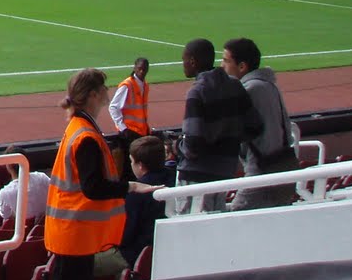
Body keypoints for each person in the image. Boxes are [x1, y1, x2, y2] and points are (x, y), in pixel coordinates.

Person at [44, 68, 149, 280]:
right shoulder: (86, 136)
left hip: (74, 232)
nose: (107, 90)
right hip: (76, 234)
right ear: (93, 94)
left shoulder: (80, 128)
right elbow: (93, 187)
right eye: (103, 87)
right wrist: (131, 186)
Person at [176, 38, 262, 213]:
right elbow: (255, 127)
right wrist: (227, 142)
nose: (183, 64)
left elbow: (193, 145)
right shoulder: (235, 86)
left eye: (184, 60)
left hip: (196, 176)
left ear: (192, 61)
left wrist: (177, 146)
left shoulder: (197, 92)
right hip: (224, 173)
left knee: (191, 232)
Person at [222, 37, 298, 210]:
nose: (222, 66)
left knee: (235, 216)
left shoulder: (250, 90)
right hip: (280, 165)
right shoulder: (269, 86)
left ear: (242, 66)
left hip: (262, 169)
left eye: (226, 61)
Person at [119, 134, 172, 266]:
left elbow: (126, 235)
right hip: (167, 247)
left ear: (140, 165)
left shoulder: (135, 194)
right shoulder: (175, 178)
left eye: (132, 161)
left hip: (139, 255)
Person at [108, 58, 151, 152]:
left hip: (140, 132)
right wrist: (123, 128)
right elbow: (113, 107)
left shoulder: (145, 86)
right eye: (139, 68)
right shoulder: (127, 85)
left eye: (144, 69)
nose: (142, 71)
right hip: (129, 133)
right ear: (134, 68)